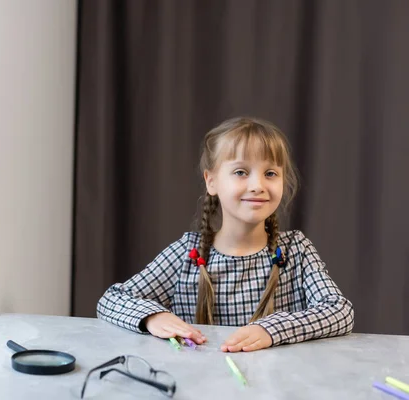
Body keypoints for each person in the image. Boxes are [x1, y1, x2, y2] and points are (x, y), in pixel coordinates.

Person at [97, 116, 354, 352]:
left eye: (270, 173)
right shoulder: (187, 253)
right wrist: (153, 316)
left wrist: (271, 329)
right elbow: (112, 300)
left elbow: (339, 311)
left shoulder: (297, 249)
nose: (257, 185)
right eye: (241, 172)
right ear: (212, 181)